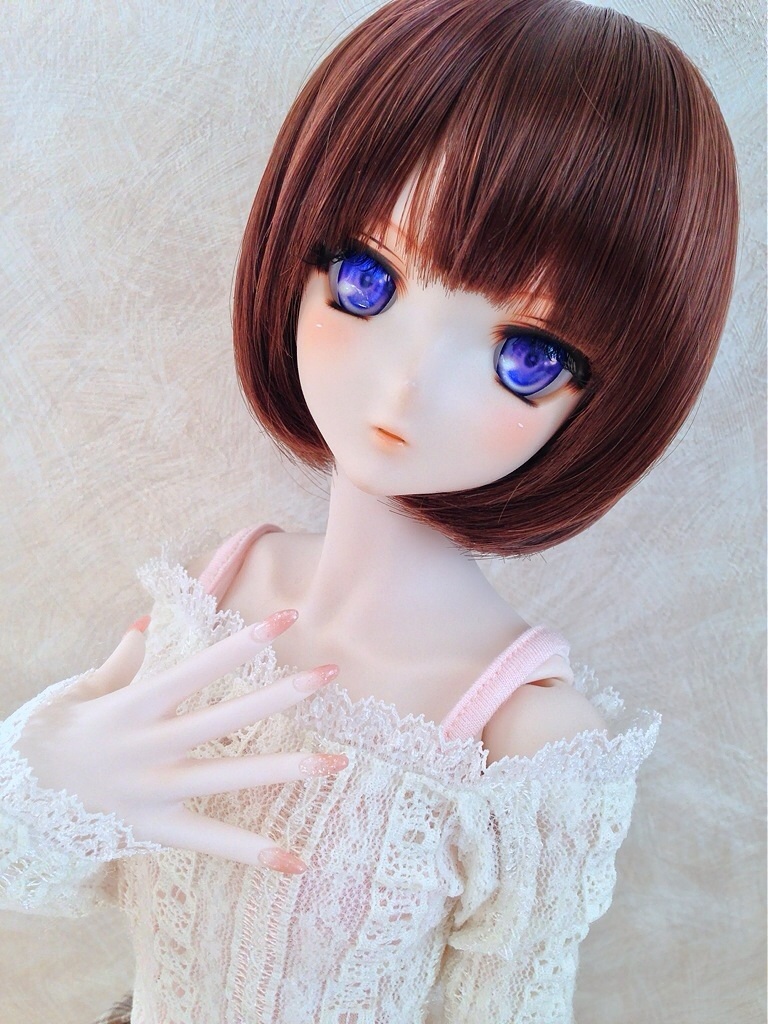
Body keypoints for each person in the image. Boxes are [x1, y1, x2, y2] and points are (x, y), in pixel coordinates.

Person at [0, 0, 738, 1021]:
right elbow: (43, 881)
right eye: (368, 278)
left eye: (526, 355)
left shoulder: (525, 747)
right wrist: (44, 777)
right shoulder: (222, 590)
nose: (404, 388)